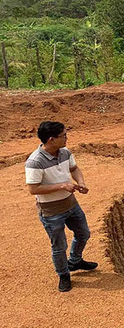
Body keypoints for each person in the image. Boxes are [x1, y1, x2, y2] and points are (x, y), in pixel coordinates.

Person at [25, 121, 97, 292]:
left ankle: (75, 261)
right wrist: (62, 186)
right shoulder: (35, 162)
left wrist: (81, 182)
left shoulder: (65, 153)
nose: (67, 138)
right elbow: (33, 189)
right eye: (64, 135)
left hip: (71, 204)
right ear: (51, 139)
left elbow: (74, 168)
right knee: (59, 246)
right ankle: (63, 275)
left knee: (83, 233)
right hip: (51, 211)